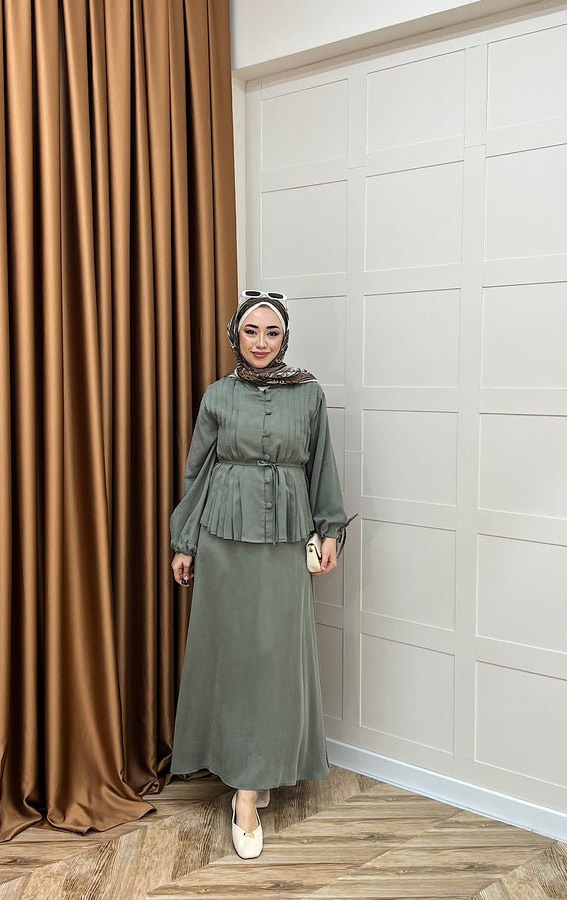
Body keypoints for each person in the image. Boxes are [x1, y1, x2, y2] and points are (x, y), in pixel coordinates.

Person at [169, 290, 355, 859]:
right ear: (236, 335)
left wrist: (331, 530)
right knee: (235, 658)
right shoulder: (218, 395)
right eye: (252, 331)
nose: (261, 342)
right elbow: (198, 472)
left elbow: (321, 466)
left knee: (276, 659)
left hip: (286, 542)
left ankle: (261, 769)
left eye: (272, 332)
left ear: (285, 338)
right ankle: (246, 792)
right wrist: (184, 542)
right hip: (223, 540)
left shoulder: (309, 394)